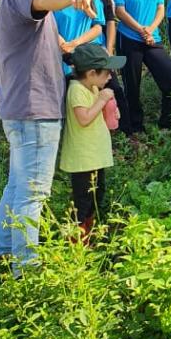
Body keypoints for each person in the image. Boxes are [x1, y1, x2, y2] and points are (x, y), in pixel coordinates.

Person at [0, 0, 97, 273]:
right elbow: (39, 1)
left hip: (21, 107)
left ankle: (6, 249)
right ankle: (26, 269)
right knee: (33, 193)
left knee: (18, 184)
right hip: (34, 110)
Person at [59, 43, 125, 239]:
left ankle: (89, 231)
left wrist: (111, 109)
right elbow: (84, 118)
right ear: (90, 73)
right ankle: (75, 238)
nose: (110, 77)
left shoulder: (94, 88)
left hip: (95, 156)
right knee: (82, 199)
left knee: (97, 194)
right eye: (106, 73)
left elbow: (98, 114)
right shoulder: (76, 90)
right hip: (83, 158)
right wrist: (102, 101)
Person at [112, 0, 171, 132]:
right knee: (132, 85)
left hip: (152, 40)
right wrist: (141, 30)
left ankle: (167, 124)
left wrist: (150, 30)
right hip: (128, 39)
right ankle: (135, 127)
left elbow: (160, 8)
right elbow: (119, 10)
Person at [81, 0, 129, 128]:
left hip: (99, 48)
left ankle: (127, 132)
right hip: (79, 50)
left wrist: (109, 50)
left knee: (115, 88)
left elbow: (110, 21)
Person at [53, 0, 104, 76]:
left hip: (84, 55)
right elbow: (47, 26)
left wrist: (75, 44)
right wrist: (64, 46)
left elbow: (98, 28)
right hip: (57, 54)